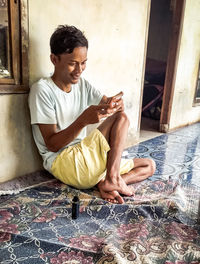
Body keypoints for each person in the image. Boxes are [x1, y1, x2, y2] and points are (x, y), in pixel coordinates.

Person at [29, 25, 156, 204]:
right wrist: (82, 121)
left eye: (84, 62)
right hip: (64, 161)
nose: (79, 70)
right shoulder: (42, 90)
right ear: (54, 59)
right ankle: (112, 179)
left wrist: (115, 104)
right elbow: (51, 145)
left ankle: (109, 182)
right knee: (122, 118)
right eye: (73, 63)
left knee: (149, 166)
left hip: (86, 160)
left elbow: (108, 104)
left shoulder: (82, 85)